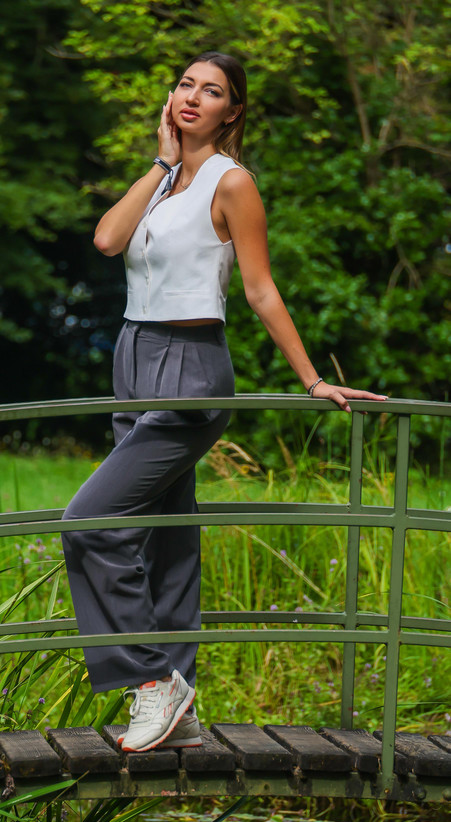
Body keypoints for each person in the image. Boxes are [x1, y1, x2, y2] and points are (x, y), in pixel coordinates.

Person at [61, 52, 386, 754]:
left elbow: (259, 289)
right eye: (185, 84)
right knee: (167, 537)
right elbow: (107, 239)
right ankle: (178, 704)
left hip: (191, 365)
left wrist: (312, 380)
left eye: (211, 92)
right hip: (133, 359)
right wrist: (159, 161)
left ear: (231, 111)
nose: (192, 97)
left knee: (90, 521)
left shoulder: (230, 181)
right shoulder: (163, 179)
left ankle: (151, 679)